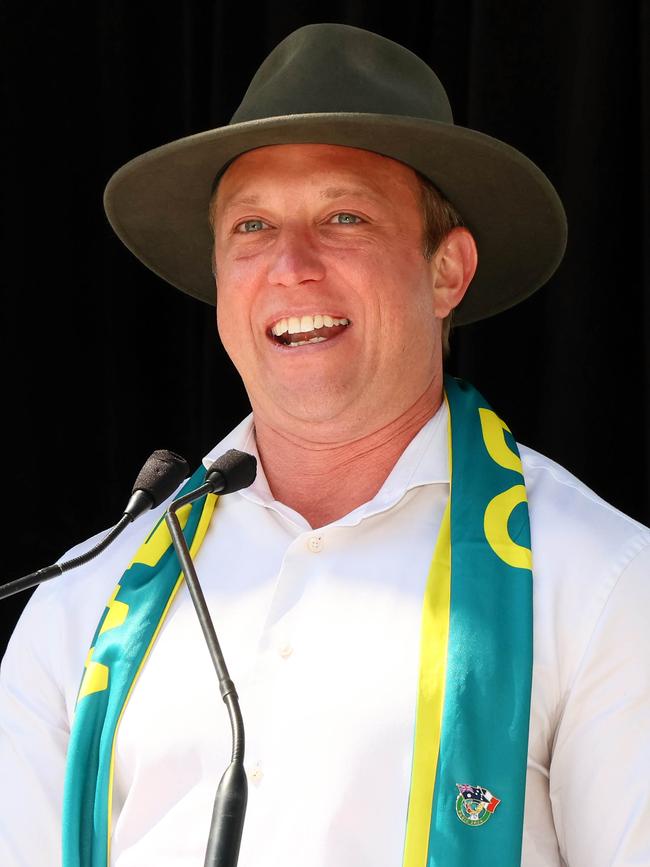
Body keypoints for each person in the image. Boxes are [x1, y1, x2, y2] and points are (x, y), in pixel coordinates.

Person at [1, 22, 648, 867]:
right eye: (251, 228)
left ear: (447, 272)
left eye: (343, 216)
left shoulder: (601, 582)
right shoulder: (84, 598)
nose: (289, 265)